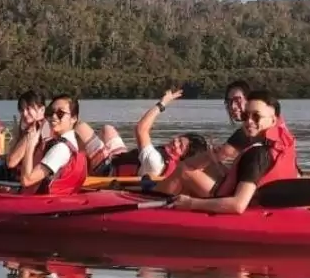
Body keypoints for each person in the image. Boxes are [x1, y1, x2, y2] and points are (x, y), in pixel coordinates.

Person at [171, 89, 299, 215]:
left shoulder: (258, 154)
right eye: (246, 116)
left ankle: (157, 201)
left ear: (273, 120)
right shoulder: (281, 143)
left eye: (256, 116)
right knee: (205, 167)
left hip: (243, 204)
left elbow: (238, 205)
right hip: (270, 202)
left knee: (183, 170)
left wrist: (191, 203)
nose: (249, 121)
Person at [109, 87, 210, 180]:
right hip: (121, 161)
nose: (175, 142)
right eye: (179, 139)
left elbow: (141, 129)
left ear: (184, 158)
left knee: (95, 132)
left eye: (180, 147)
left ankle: (98, 164)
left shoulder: (156, 162)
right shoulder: (169, 165)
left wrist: (163, 103)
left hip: (108, 171)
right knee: (108, 130)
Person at [18, 94, 88, 195]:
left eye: (60, 113)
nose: (53, 117)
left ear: (73, 118)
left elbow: (26, 180)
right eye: (51, 112)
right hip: (61, 200)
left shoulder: (60, 149)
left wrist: (29, 146)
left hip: (43, 204)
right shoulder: (74, 141)